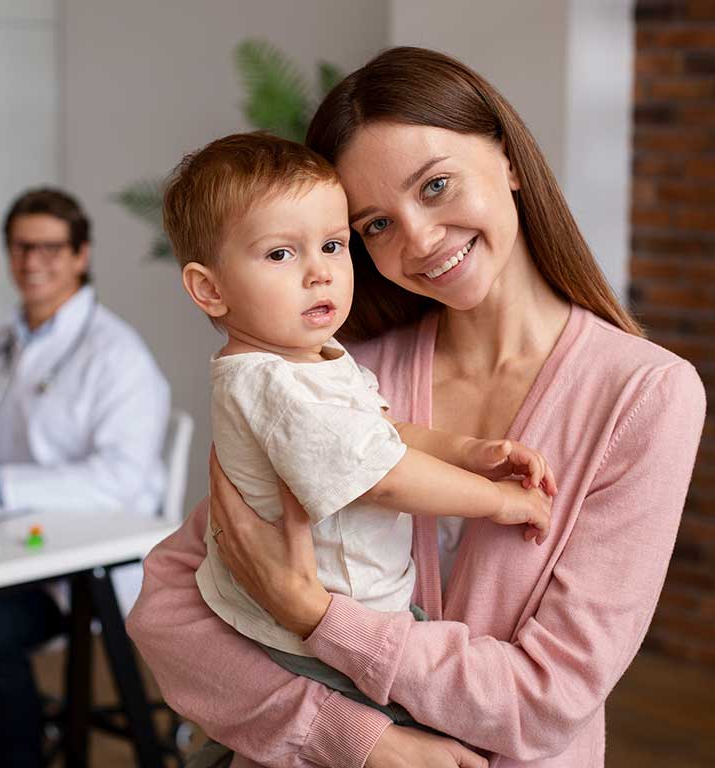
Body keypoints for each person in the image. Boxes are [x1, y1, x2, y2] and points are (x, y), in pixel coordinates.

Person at [127, 48, 705, 768]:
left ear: (509, 157)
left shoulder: (644, 395)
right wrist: (359, 741)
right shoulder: (335, 377)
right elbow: (169, 613)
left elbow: (545, 699)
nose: (420, 240)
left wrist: (314, 615)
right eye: (375, 225)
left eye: (435, 186)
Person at [160, 132, 554, 746]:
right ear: (210, 290)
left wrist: (468, 452)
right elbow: (383, 476)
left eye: (333, 244)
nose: (319, 271)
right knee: (442, 737)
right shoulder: (272, 383)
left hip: (358, 616)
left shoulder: (310, 360)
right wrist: (502, 500)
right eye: (280, 255)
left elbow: (382, 435)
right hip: (318, 642)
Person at [0, 187, 170, 768]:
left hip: (75, 566)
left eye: (50, 248)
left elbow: (121, 481)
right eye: (21, 247)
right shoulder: (1, 346)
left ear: (81, 255)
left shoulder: (117, 355)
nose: (33, 262)